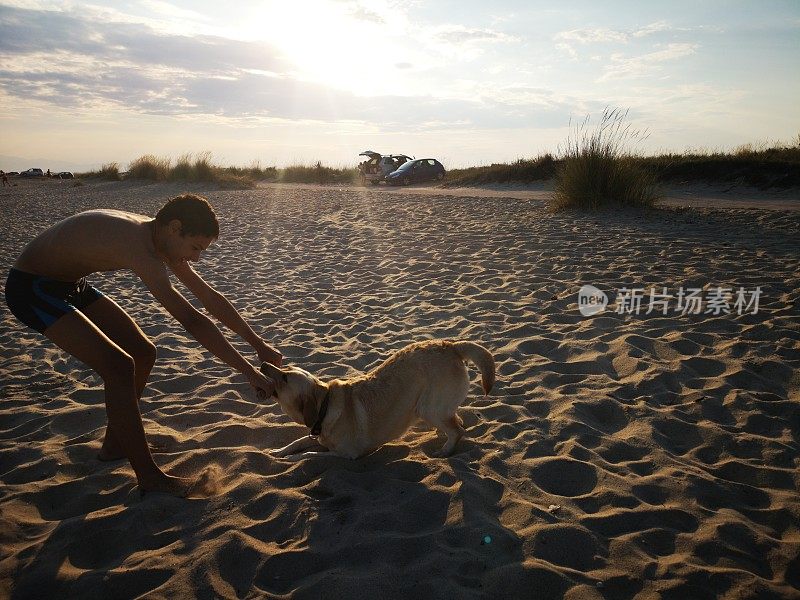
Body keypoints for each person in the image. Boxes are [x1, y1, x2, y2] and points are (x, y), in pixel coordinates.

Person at [4, 194, 281, 497]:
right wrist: (249, 372)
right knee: (119, 365)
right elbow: (192, 320)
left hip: (69, 283)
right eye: (195, 248)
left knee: (143, 351)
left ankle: (114, 446)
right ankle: (149, 477)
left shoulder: (158, 235)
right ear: (175, 228)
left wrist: (259, 345)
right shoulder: (140, 248)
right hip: (31, 288)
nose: (197, 258)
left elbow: (208, 296)